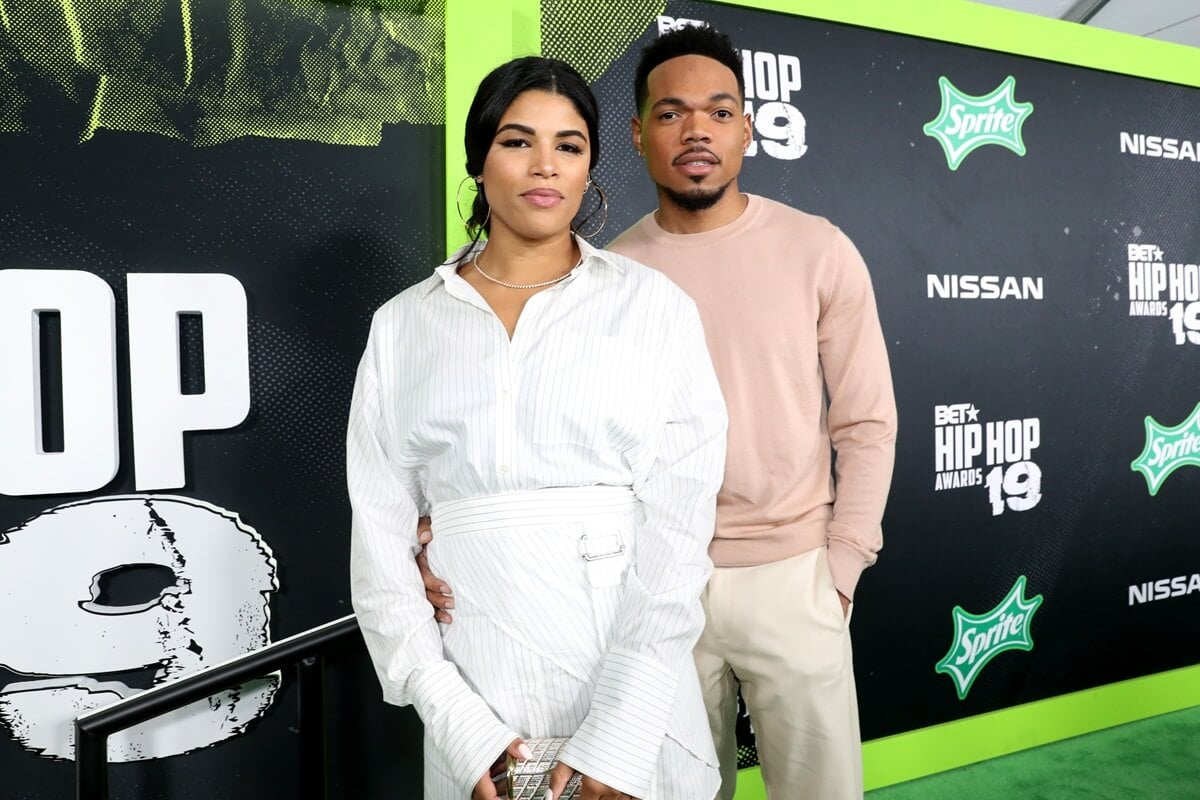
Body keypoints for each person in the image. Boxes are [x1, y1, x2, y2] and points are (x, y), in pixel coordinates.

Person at [419, 26, 897, 800]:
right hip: (640, 589)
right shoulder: (603, 277)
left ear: (748, 126)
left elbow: (868, 423)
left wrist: (839, 567)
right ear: (638, 135)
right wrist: (439, 525)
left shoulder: (820, 250)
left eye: (719, 110)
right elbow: (533, 428)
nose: (698, 130)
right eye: (672, 113)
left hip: (793, 574)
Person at [348, 56, 726, 800]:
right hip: (476, 689)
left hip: (627, 682)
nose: (545, 165)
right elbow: (380, 541)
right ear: (478, 159)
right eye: (518, 142)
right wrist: (456, 720)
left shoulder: (654, 308)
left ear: (591, 167)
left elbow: (680, 535)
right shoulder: (401, 326)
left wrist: (618, 741)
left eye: (570, 145)